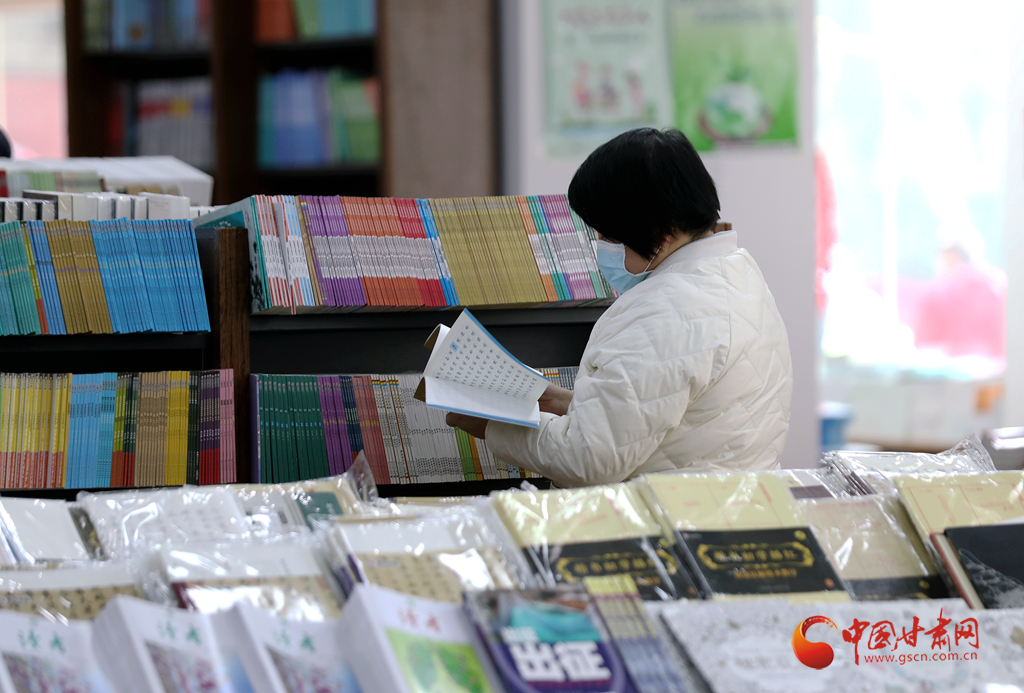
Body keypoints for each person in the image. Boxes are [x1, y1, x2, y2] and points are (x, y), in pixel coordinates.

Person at [446, 128, 793, 486]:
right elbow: (685, 414)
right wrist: (569, 403)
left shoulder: (665, 309)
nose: (602, 245)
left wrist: (492, 427)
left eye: (610, 234)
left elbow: (588, 460)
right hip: (733, 503)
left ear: (661, 234)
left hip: (665, 513)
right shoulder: (740, 276)